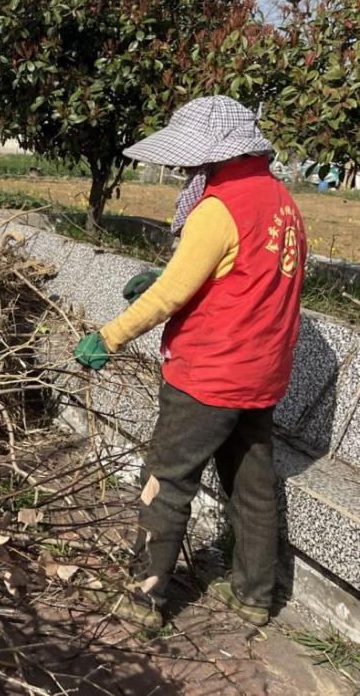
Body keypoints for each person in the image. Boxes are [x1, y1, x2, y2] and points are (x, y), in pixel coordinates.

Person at [74, 95, 306, 630]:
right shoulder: (281, 202)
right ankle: (254, 596)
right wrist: (169, 273)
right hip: (261, 375)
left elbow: (171, 296)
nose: (184, 169)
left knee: (167, 480)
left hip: (208, 375)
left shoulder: (219, 208)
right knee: (251, 486)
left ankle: (143, 598)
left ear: (217, 154)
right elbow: (243, 274)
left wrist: (108, 337)